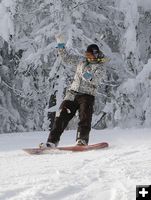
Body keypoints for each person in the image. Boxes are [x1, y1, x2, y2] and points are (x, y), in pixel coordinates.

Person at [40, 35, 108, 148]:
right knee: (60, 116)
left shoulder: (100, 67)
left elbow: (95, 80)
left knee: (84, 118)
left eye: (91, 55)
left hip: (87, 95)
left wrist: (86, 74)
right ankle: (52, 141)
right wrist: (61, 45)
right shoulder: (81, 61)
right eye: (87, 55)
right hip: (72, 94)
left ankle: (82, 140)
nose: (88, 57)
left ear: (96, 54)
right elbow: (66, 58)